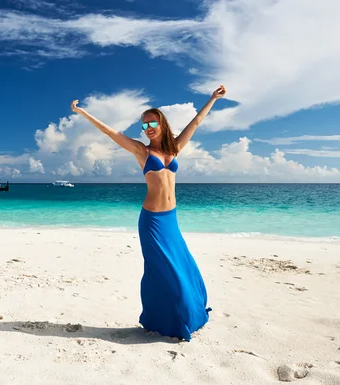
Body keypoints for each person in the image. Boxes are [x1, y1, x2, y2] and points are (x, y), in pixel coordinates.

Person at [70, 85, 226, 340]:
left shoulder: (174, 148)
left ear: (161, 123)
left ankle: (180, 316)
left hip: (171, 220)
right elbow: (110, 132)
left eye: (151, 123)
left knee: (182, 268)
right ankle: (162, 320)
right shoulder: (141, 151)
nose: (148, 128)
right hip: (152, 221)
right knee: (163, 272)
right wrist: (81, 112)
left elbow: (196, 122)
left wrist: (212, 99)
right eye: (143, 125)